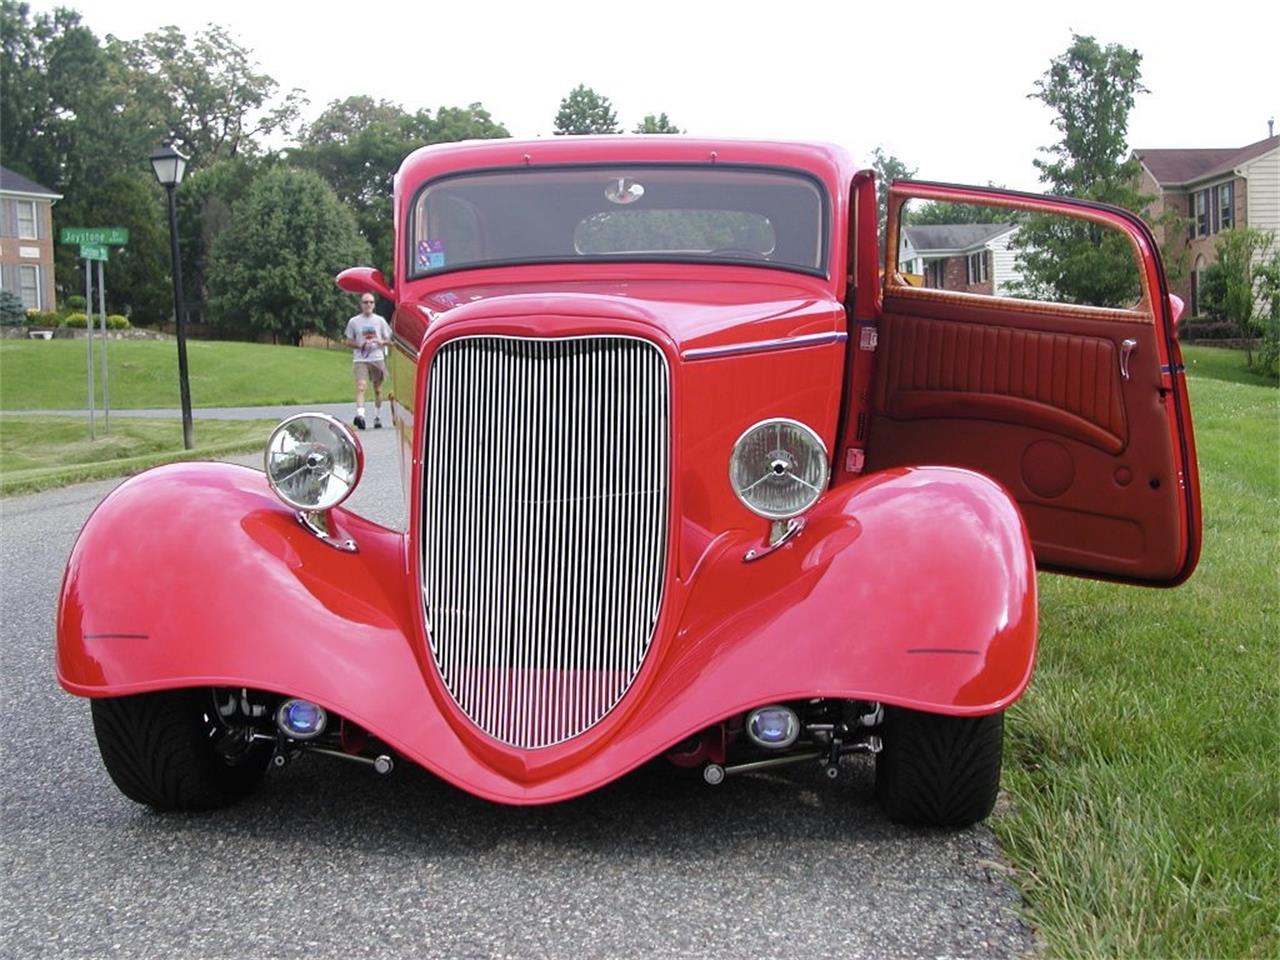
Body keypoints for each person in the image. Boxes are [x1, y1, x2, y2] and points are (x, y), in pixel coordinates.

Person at [344, 295, 392, 430]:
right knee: (361, 386)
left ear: (374, 305)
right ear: (361, 304)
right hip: (361, 359)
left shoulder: (380, 321)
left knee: (378, 389)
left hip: (377, 358)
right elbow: (348, 341)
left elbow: (390, 341)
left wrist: (381, 341)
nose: (368, 304)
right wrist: (360, 345)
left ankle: (377, 416)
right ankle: (361, 416)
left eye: (371, 302)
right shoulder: (354, 322)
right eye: (365, 302)